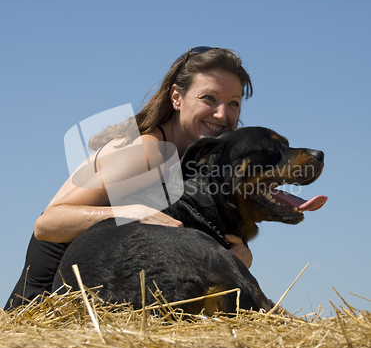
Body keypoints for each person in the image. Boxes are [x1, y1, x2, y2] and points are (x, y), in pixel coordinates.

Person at [5, 46, 254, 310]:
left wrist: (233, 259)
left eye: (234, 103)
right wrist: (132, 212)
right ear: (176, 98)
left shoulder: (193, 161)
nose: (222, 114)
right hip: (44, 306)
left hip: (102, 300)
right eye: (209, 98)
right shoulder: (151, 152)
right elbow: (47, 223)